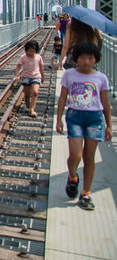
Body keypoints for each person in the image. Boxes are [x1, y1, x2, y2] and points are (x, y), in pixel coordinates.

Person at [55, 42, 112, 210]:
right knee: (75, 155)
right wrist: (59, 119)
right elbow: (62, 98)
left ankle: (86, 193)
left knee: (89, 158)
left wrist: (109, 125)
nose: (86, 61)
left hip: (95, 118)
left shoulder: (101, 78)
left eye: (90, 58)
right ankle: (73, 177)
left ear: (96, 59)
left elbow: (106, 103)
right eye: (82, 57)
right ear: (75, 59)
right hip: (75, 116)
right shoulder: (69, 74)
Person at [14, 40, 44, 117]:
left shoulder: (38, 57)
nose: (31, 53)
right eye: (29, 51)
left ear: (36, 51)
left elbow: (41, 67)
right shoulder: (23, 57)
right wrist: (17, 74)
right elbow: (18, 66)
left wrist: (43, 76)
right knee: (27, 94)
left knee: (35, 92)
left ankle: (32, 109)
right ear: (26, 50)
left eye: (33, 51)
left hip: (36, 77)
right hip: (26, 77)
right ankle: (27, 106)